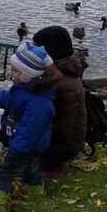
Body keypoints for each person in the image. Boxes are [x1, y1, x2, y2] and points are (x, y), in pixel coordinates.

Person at [0, 42, 55, 212]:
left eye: (15, 70)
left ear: (28, 74)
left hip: (24, 145)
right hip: (28, 145)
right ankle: (37, 194)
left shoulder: (39, 103)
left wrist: (17, 148)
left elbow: (31, 130)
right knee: (30, 169)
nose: (12, 72)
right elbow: (11, 98)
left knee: (6, 172)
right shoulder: (24, 88)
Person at [31, 26, 87, 179]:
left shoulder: (65, 86)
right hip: (57, 136)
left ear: (50, 51)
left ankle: (50, 166)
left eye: (38, 49)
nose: (34, 53)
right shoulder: (58, 73)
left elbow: (63, 130)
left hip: (64, 145)